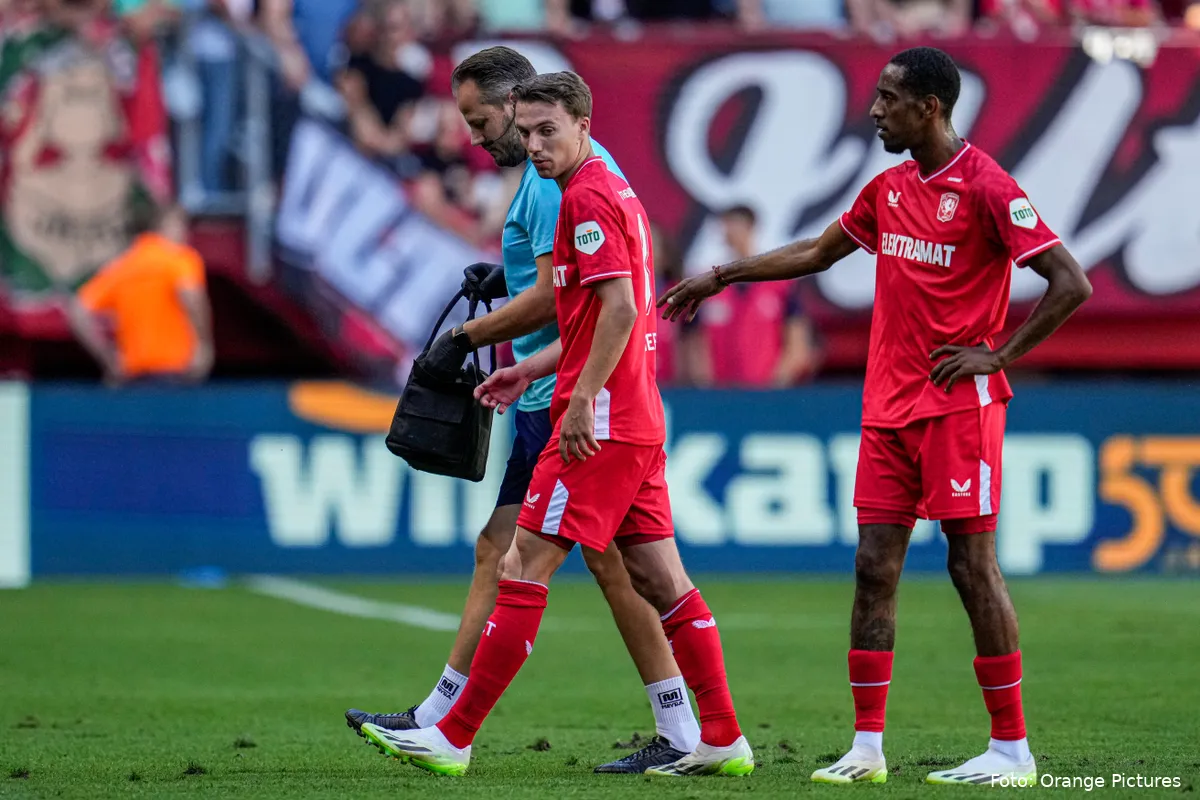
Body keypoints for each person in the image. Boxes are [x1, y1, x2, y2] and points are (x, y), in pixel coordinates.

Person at [661, 47, 1092, 785]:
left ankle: (1011, 750)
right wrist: (722, 274)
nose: (873, 110)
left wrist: (998, 354)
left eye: (889, 98)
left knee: (971, 567)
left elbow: (1069, 281)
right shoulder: (888, 188)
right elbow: (818, 251)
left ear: (929, 107)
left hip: (958, 404)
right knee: (872, 568)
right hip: (888, 407)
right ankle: (866, 748)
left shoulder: (987, 186)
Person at [359, 70, 754, 779]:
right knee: (661, 579)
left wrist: (576, 401)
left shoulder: (589, 195)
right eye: (529, 132)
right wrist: (528, 371)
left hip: (597, 422)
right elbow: (588, 315)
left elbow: (625, 311)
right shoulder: (599, 189)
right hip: (633, 415)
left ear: (582, 125)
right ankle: (720, 735)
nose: (535, 147)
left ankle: (452, 735)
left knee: (521, 564)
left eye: (549, 132)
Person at [67, 204, 214, 386]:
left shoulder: (124, 266)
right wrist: (203, 344)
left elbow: (78, 309)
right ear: (166, 226)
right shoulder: (179, 259)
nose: (186, 234)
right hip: (176, 370)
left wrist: (108, 358)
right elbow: (191, 296)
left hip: (131, 375)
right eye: (182, 226)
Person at [689, 205, 821, 387]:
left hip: (767, 394)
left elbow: (797, 343)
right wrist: (705, 386)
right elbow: (695, 342)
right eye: (726, 225)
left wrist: (774, 385)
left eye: (735, 224)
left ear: (750, 227)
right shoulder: (708, 283)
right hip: (719, 396)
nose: (730, 231)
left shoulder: (781, 281)